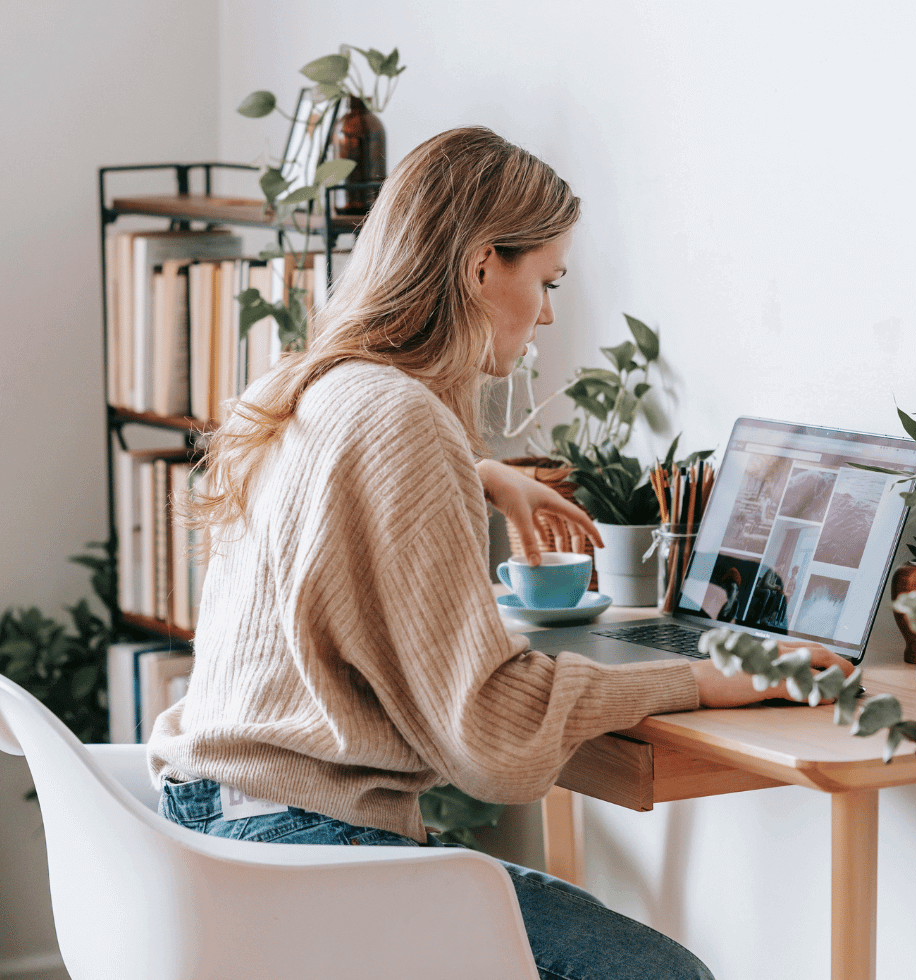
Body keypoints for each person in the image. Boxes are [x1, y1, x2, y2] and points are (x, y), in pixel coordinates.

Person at [147, 126, 853, 980]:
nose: (549, 312)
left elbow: (344, 482)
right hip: (302, 846)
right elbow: (492, 734)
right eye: (545, 280)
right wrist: (706, 678)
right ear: (483, 267)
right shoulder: (404, 421)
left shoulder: (300, 385)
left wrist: (484, 474)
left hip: (212, 822)